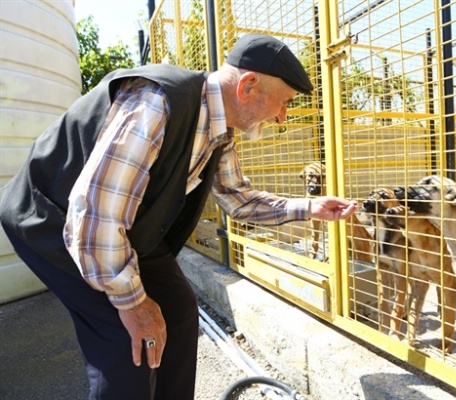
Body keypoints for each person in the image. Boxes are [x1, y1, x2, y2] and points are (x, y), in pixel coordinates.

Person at [0, 33, 356, 400]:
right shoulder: (156, 103)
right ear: (248, 86)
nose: (282, 117)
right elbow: (96, 216)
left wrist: (309, 207)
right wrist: (134, 303)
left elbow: (237, 199)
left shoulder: (220, 129)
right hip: (55, 221)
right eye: (284, 103)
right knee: (127, 344)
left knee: (178, 311)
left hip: (124, 227)